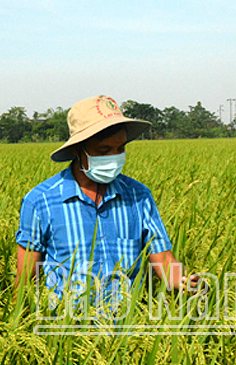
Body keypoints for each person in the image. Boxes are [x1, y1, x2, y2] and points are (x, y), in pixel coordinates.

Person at [15, 95, 197, 305]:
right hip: (66, 327)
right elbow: (26, 279)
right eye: (103, 151)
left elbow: (164, 260)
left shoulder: (138, 196)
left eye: (120, 149)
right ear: (78, 149)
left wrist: (186, 282)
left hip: (127, 326)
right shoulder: (41, 201)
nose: (114, 156)